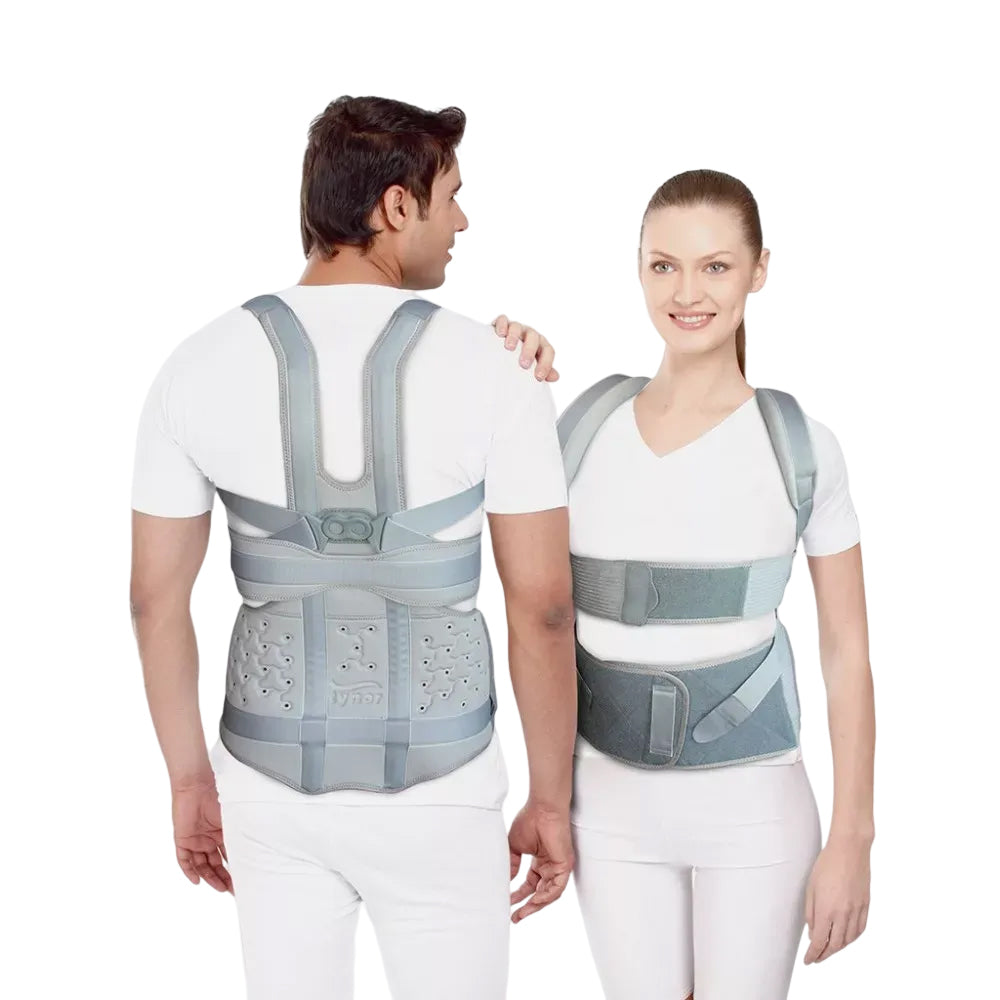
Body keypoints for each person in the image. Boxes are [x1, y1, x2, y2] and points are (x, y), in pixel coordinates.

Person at [129, 95, 577, 1000]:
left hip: (267, 788)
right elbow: (543, 609)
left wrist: (189, 780)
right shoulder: (498, 368)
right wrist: (550, 798)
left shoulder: (196, 364)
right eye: (452, 196)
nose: (462, 221)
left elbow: (152, 600)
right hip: (443, 791)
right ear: (396, 206)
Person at [494, 168, 875, 999]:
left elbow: (846, 652)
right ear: (638, 269)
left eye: (716, 266)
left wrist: (854, 838)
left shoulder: (802, 446)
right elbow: (468, 506)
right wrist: (498, 366)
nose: (687, 293)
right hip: (607, 806)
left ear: (759, 271)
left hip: (755, 808)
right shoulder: (578, 429)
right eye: (663, 266)